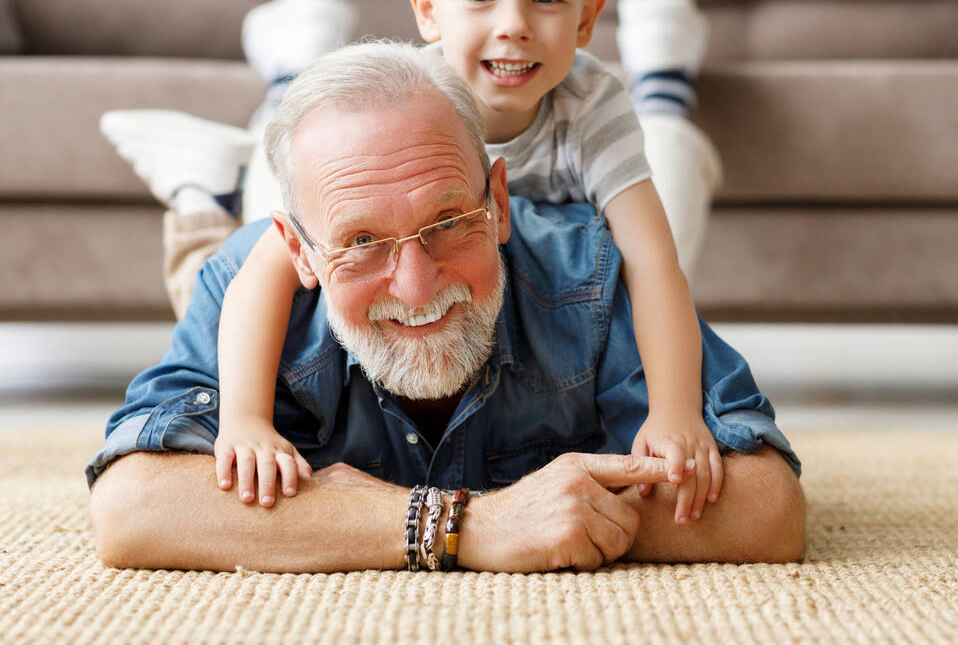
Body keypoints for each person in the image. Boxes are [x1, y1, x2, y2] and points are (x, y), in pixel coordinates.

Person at [103, 0, 728, 524]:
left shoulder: (591, 105)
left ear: (586, 19)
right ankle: (256, 121)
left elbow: (653, 259)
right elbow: (273, 261)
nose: (514, 25)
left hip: (514, 300)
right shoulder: (411, 101)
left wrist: (675, 411)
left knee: (665, 190)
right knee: (242, 256)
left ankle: (665, 86)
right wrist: (245, 418)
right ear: (428, 10)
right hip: (351, 251)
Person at [86, 40, 804, 573]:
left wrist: (333, 520)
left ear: (499, 202)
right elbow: (133, 505)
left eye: (449, 222)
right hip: (248, 262)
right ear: (299, 251)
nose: (417, 286)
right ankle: (201, 190)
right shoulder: (245, 280)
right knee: (199, 260)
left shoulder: (587, 270)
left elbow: (765, 504)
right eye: (362, 241)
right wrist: (475, 526)